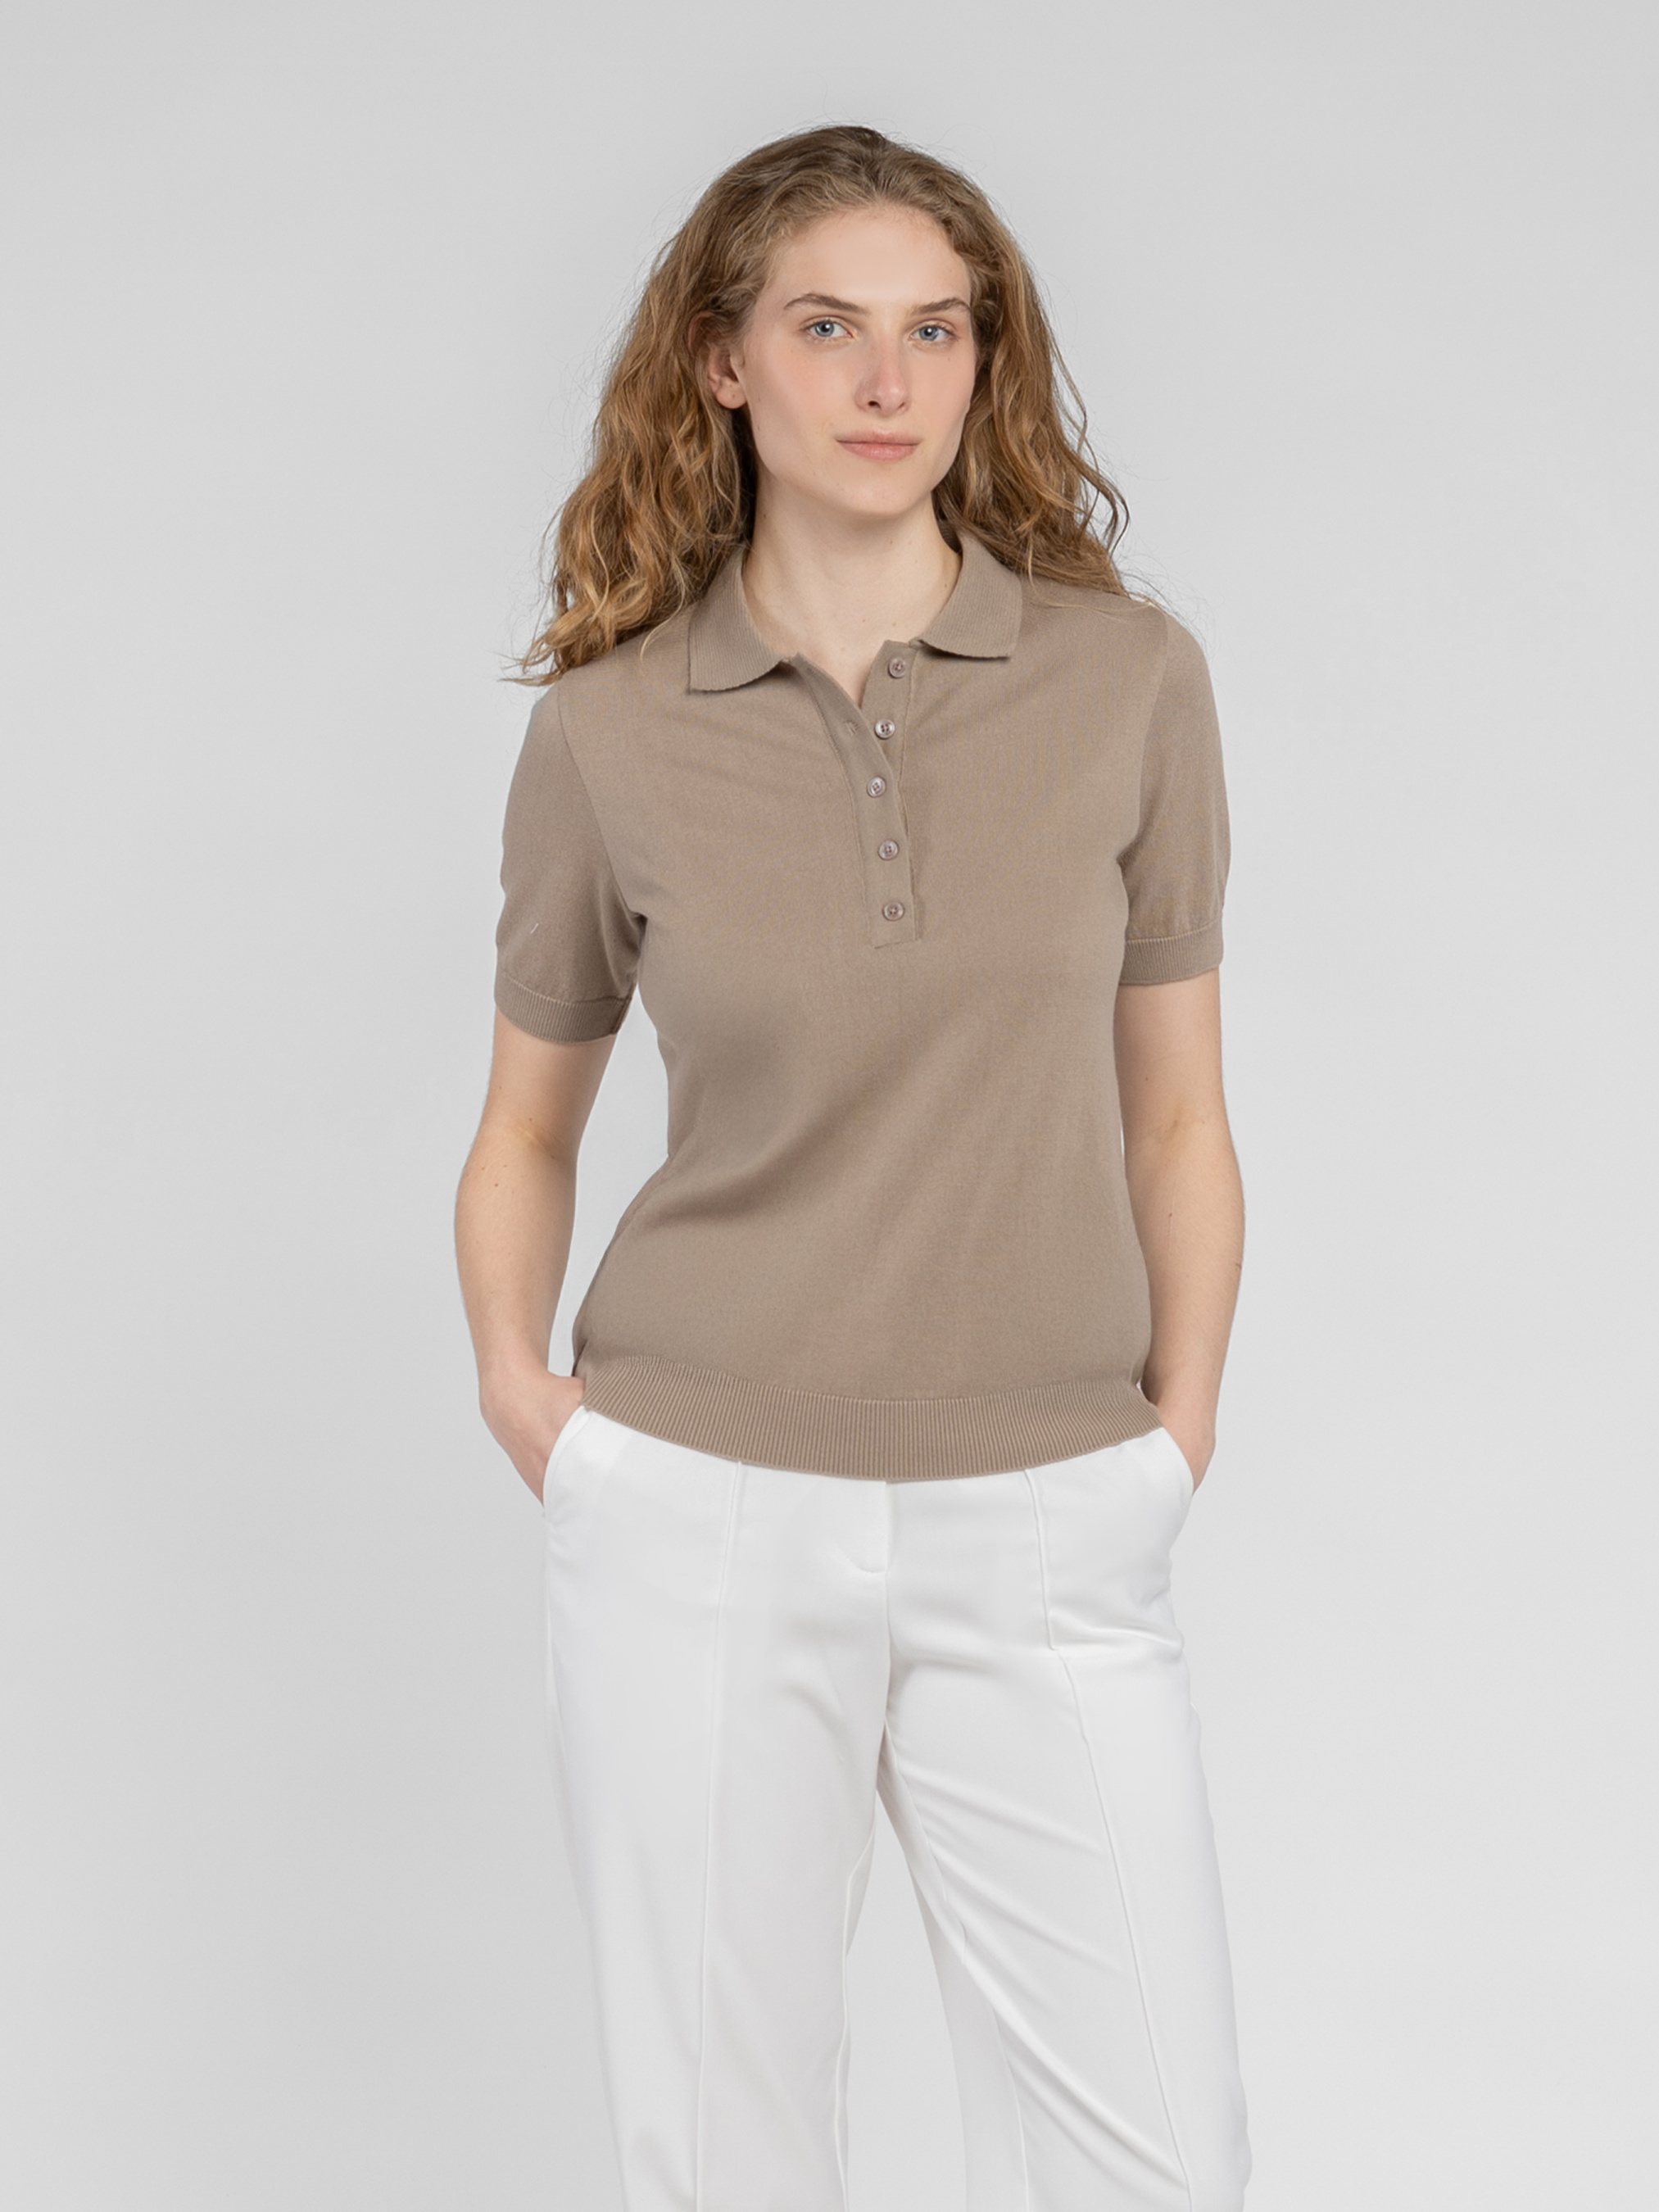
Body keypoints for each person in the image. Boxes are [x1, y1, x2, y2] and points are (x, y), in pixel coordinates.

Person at [455, 122, 1251, 2212]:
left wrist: (1168, 1436)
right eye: (826, 329)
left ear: (985, 360)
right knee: (722, 2164)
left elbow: (1175, 1110)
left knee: (1159, 2166)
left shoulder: (1127, 684)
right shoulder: (611, 730)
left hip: (1051, 1511)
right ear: (723, 364)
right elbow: (525, 1125)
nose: (889, 382)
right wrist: (532, 1398)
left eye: (935, 331)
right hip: (696, 1510)